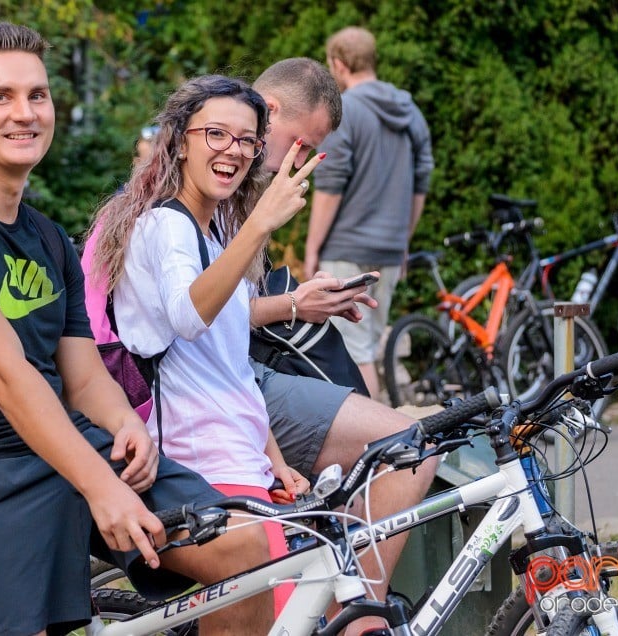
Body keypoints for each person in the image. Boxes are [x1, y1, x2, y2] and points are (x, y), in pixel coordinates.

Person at [0, 23, 276, 635]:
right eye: (0, 96)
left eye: (37, 95)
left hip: (74, 445)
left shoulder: (49, 239)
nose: (24, 113)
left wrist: (125, 424)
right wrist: (100, 488)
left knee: (247, 553)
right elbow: (5, 372)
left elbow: (83, 376)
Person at [89, 75, 317, 614]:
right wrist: (260, 224)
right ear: (180, 141)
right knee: (275, 616)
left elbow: (231, 368)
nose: (232, 150)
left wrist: (274, 459)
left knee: (281, 617)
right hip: (200, 464)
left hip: (241, 460)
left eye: (246, 140)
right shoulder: (166, 226)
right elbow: (190, 317)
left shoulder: (212, 234)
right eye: (216, 133)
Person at [250, 56, 437, 635]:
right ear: (271, 110)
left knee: (382, 408)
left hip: (251, 354)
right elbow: (193, 316)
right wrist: (294, 301)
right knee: (410, 446)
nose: (300, 160)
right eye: (300, 143)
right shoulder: (234, 179)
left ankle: (344, 604)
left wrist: (296, 296)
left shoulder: (253, 178)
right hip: (224, 380)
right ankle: (358, 619)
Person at [306, 27, 435, 400]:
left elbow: (330, 186)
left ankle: (373, 444)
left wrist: (313, 247)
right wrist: (404, 240)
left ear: (339, 64)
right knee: (368, 346)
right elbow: (420, 183)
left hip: (347, 250)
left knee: (353, 353)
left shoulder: (347, 112)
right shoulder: (411, 113)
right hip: (391, 251)